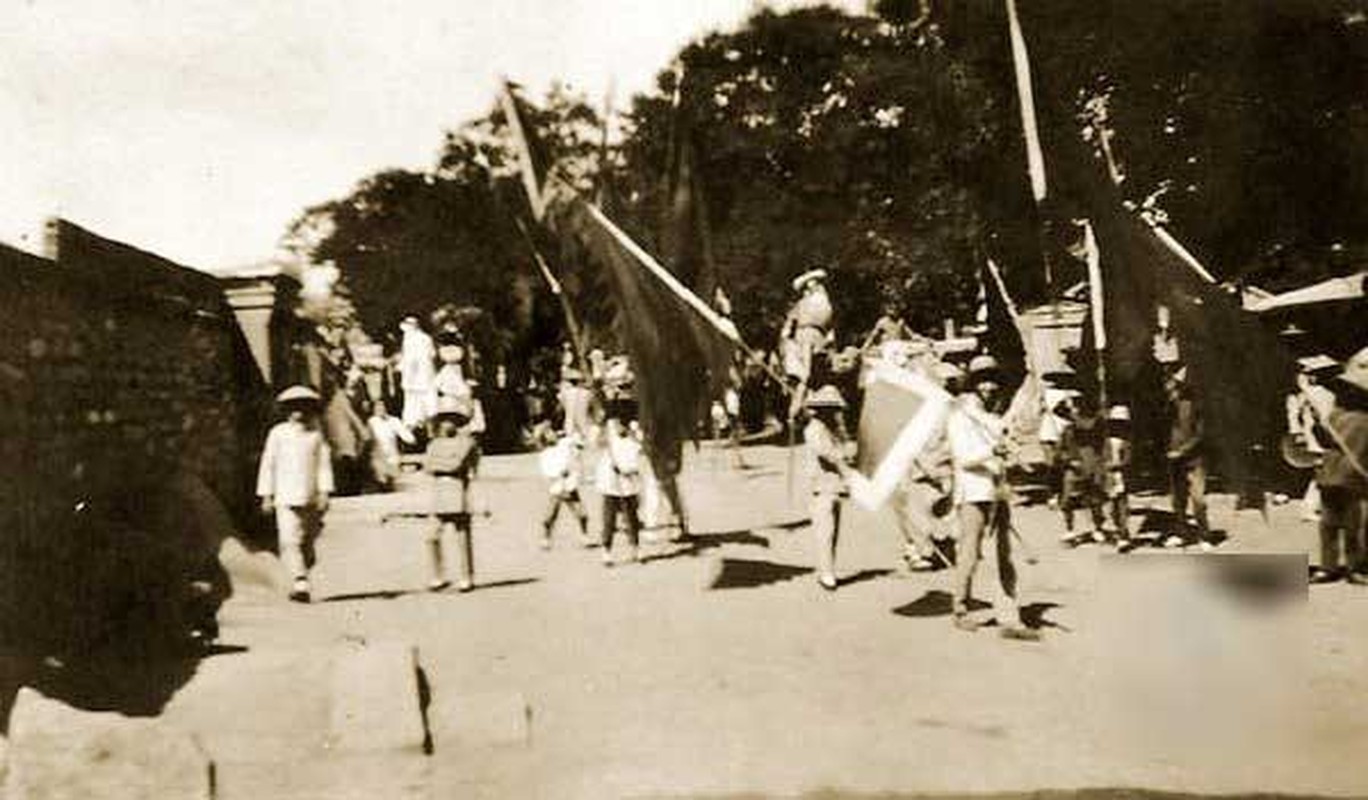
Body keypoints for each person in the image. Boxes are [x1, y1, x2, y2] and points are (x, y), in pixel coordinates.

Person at [947, 355, 1039, 640]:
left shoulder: (989, 418)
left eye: (992, 381)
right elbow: (963, 459)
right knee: (970, 554)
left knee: (1003, 556)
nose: (988, 388)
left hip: (996, 491)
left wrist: (1007, 456)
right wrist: (992, 453)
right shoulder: (960, 417)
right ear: (972, 386)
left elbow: (1000, 445)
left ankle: (1009, 614)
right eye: (981, 382)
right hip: (973, 492)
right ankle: (960, 608)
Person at [256, 386, 334, 603]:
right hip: (285, 496)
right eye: (293, 408)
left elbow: (324, 466)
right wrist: (266, 494)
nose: (298, 412)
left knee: (307, 542)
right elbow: (268, 464)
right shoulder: (278, 434)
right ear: (287, 411)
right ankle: (300, 582)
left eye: (303, 407)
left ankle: (303, 571)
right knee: (289, 541)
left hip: (310, 496)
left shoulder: (316, 436)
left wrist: (325, 492)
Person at [1310, 347, 1368, 584]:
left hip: (1355, 475)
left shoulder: (1365, 417)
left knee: (1354, 525)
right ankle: (1329, 566)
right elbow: (1324, 440)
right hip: (1332, 472)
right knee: (1329, 524)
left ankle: (1355, 567)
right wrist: (1316, 424)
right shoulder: (1335, 414)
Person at [425, 395, 481, 591]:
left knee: (462, 537)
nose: (447, 423)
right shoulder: (433, 444)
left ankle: (467, 576)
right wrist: (447, 464)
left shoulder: (467, 443)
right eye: (444, 419)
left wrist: (446, 465)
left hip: (458, 490)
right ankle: (438, 575)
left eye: (452, 418)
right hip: (439, 493)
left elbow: (459, 464)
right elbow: (429, 466)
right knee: (431, 536)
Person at [803, 385, 853, 591]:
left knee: (833, 533)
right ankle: (826, 572)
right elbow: (828, 454)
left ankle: (829, 568)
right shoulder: (814, 429)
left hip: (835, 487)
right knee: (825, 531)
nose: (834, 413)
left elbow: (843, 453)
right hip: (821, 487)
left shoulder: (833, 431)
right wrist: (845, 467)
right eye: (830, 409)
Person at [1163, 368, 1211, 549]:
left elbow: (1201, 435)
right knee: (1178, 500)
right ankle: (1181, 533)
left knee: (1198, 499)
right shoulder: (1167, 407)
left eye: (1172, 386)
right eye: (1167, 385)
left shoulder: (1195, 405)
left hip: (1195, 460)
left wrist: (1182, 451)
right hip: (1174, 460)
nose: (1169, 389)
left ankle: (1204, 536)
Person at [596, 399, 644, 566]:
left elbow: (640, 450)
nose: (618, 425)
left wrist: (627, 470)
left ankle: (635, 549)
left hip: (629, 480)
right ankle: (606, 551)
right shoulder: (608, 430)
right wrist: (603, 433)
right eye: (615, 421)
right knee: (609, 518)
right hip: (610, 481)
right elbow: (597, 442)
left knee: (631, 517)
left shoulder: (635, 432)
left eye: (621, 422)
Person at [1058, 396, 1107, 546]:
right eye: (1071, 410)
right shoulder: (1068, 429)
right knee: (1067, 499)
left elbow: (1100, 442)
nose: (1072, 412)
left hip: (1092, 464)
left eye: (1075, 408)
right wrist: (1068, 459)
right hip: (1072, 468)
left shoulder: (1095, 425)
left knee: (1094, 498)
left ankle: (1098, 528)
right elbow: (1060, 451)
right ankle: (1069, 529)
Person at [539, 431, 591, 549]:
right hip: (557, 488)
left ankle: (585, 536)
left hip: (569, 486)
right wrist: (558, 473)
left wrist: (577, 441)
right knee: (550, 516)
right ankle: (546, 538)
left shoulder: (564, 444)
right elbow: (547, 471)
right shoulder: (544, 454)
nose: (552, 435)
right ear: (545, 440)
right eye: (548, 434)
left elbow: (577, 442)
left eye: (552, 433)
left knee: (582, 514)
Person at [399, 316, 437, 430]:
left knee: (413, 408)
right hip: (427, 378)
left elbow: (411, 361)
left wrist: (408, 379)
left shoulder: (410, 339)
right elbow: (433, 354)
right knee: (428, 407)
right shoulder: (426, 338)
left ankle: (414, 428)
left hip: (415, 380)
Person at [367, 399, 414, 491]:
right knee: (381, 477)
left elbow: (405, 434)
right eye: (377, 407)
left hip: (392, 454)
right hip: (378, 454)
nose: (380, 409)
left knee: (390, 479)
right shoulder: (370, 422)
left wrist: (410, 438)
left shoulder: (394, 420)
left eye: (382, 406)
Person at [1104, 405, 1134, 549]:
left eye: (1121, 424)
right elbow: (1102, 457)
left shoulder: (1127, 442)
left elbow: (1129, 460)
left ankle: (1123, 534)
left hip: (1121, 476)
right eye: (1115, 424)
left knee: (1122, 506)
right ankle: (1118, 529)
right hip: (1109, 477)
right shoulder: (1106, 441)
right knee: (1112, 508)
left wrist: (1118, 464)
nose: (1118, 427)